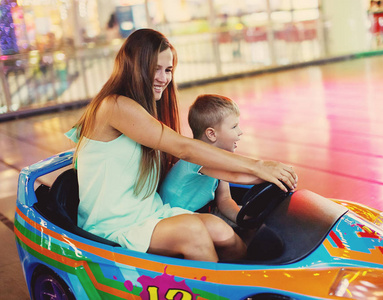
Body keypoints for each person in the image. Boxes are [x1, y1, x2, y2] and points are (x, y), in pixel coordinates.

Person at [66, 28, 297, 263]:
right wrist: (257, 165)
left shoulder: (143, 112)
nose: (164, 78)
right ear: (134, 66)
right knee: (192, 231)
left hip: (151, 214)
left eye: (168, 70)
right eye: (155, 68)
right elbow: (184, 148)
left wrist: (269, 176)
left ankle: (251, 286)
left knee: (220, 230)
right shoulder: (113, 106)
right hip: (113, 225)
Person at [160, 94, 261, 224]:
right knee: (225, 233)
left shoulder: (218, 159)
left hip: (201, 212)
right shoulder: (198, 157)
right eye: (234, 127)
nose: (240, 131)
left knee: (259, 223)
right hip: (175, 218)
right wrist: (273, 175)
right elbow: (236, 176)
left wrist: (243, 220)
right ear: (211, 134)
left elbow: (224, 200)